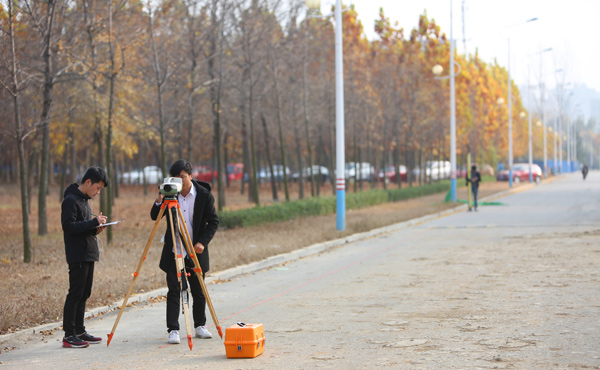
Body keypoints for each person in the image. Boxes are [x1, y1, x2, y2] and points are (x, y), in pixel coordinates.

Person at [151, 160, 219, 344]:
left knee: (198, 289)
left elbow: (214, 221)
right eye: (175, 178)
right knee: (174, 290)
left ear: (190, 176)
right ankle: (173, 329)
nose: (179, 181)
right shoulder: (170, 194)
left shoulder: (204, 195)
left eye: (182, 177)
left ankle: (200, 326)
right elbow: (153, 216)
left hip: (196, 250)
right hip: (175, 249)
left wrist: (202, 242)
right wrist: (160, 199)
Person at [61, 166, 109, 348]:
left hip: (88, 252)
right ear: (88, 182)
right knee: (75, 293)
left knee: (85, 293)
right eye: (97, 188)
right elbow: (69, 226)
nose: (98, 192)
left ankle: (80, 330)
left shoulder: (84, 201)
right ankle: (69, 335)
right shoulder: (70, 200)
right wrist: (92, 222)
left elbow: (83, 227)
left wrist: (96, 228)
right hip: (77, 254)